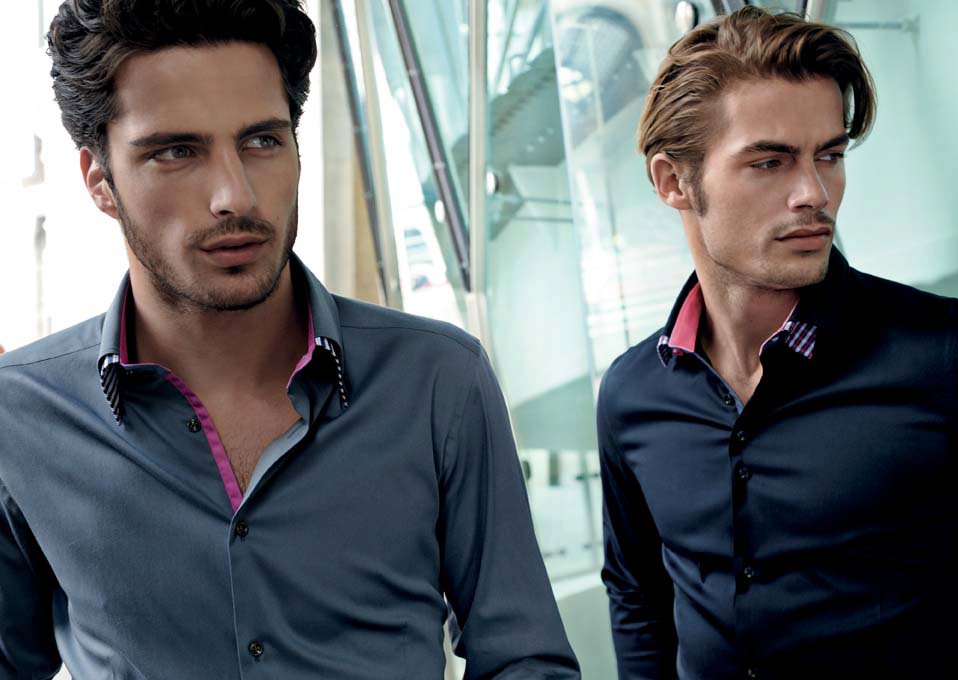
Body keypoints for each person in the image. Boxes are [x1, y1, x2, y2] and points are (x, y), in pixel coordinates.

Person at [0, 2, 579, 678]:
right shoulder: (20, 417)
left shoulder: (437, 380)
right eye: (177, 152)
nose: (235, 196)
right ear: (100, 182)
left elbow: (525, 662)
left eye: (261, 141)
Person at [598, 7, 958, 680]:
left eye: (829, 155)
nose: (813, 193)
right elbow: (637, 594)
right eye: (769, 161)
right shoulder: (631, 393)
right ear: (673, 181)